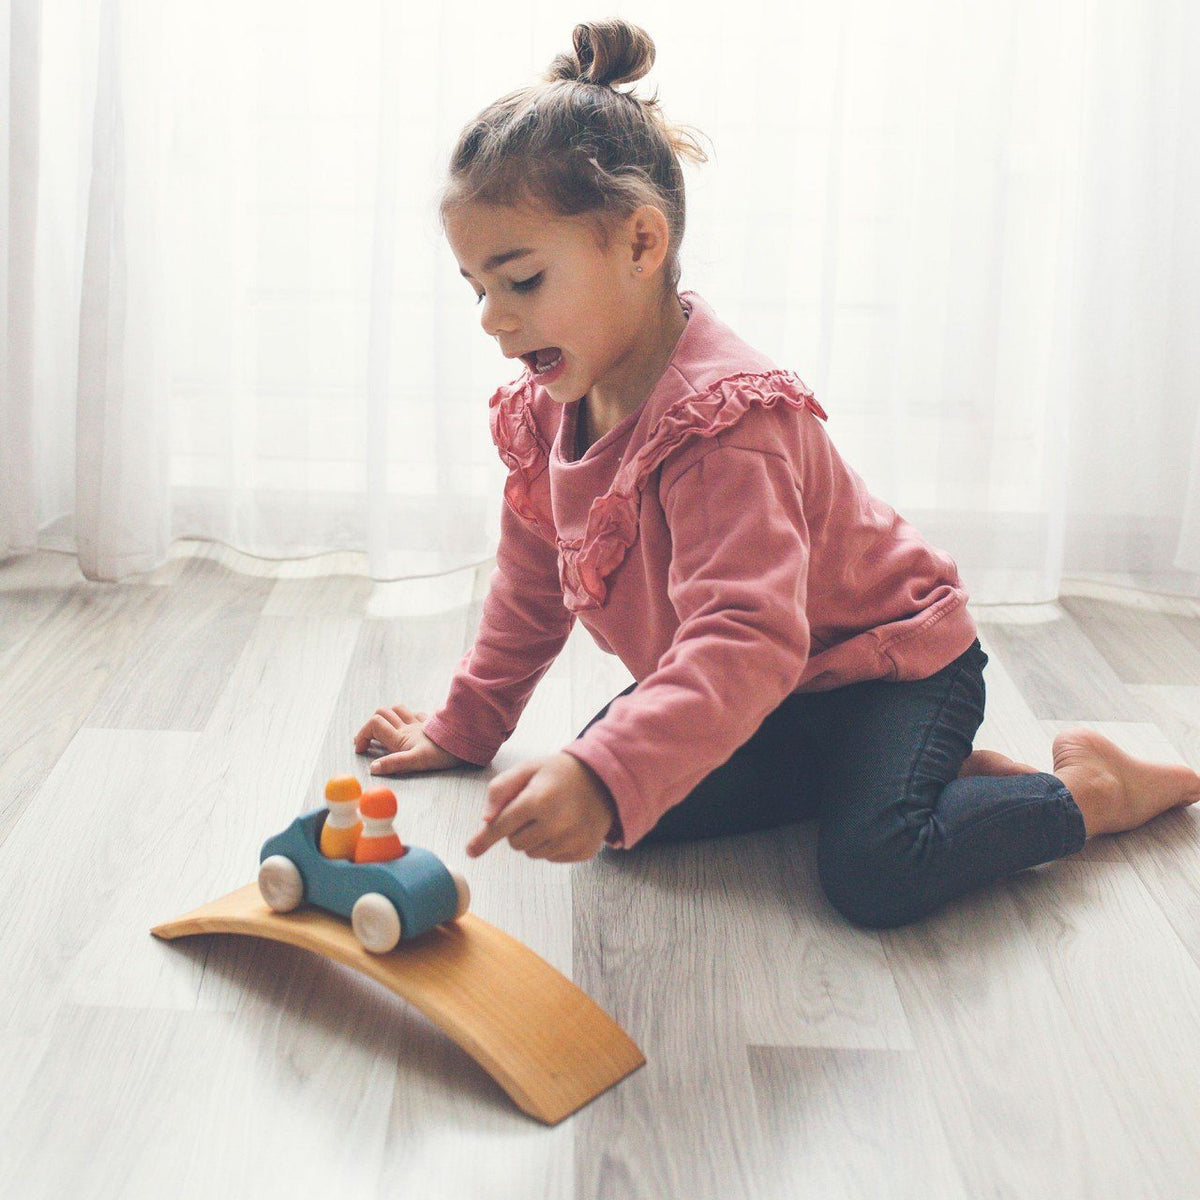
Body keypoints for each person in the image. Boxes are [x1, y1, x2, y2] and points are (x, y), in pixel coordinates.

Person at [353, 19, 1200, 929]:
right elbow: (531, 588)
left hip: (889, 668)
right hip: (775, 690)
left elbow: (745, 638)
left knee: (876, 872)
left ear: (641, 244)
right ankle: (893, 775)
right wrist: (465, 727)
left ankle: (1087, 791)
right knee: (618, 812)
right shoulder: (550, 405)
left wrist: (606, 775)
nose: (491, 318)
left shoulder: (724, 427)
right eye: (476, 287)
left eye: (520, 281)